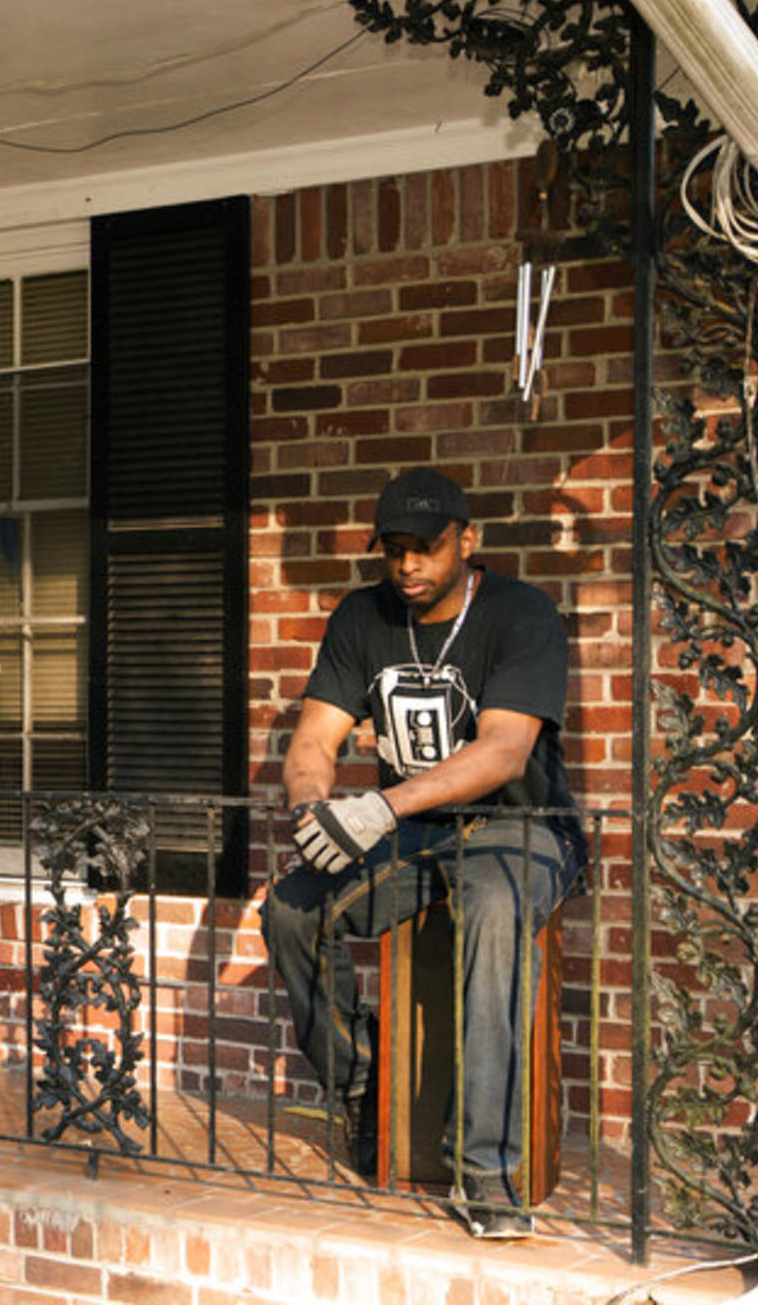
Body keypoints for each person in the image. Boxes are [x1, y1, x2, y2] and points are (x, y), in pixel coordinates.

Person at [261, 466, 584, 1240]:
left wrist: (376, 807)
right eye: (395, 549)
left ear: (467, 543)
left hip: (524, 825)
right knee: (293, 910)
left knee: (495, 909)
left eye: (427, 548)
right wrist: (316, 813)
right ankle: (364, 1092)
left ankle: (487, 1176)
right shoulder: (363, 617)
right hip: (415, 831)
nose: (408, 565)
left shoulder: (521, 613)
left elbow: (506, 751)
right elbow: (314, 739)